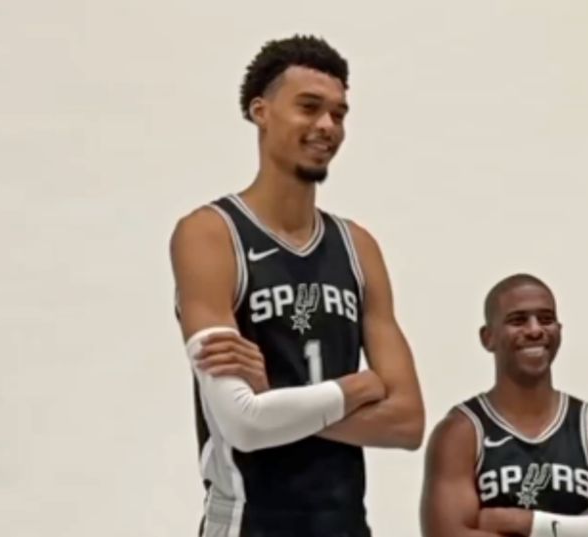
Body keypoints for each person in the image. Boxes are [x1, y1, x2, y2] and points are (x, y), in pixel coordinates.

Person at [169, 35, 425, 537]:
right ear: (260, 111)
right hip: (248, 522)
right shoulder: (210, 234)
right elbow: (242, 424)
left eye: (339, 113)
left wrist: (281, 404)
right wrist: (358, 388)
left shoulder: (358, 246)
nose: (327, 126)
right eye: (310, 107)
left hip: (346, 525)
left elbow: (408, 422)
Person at [419, 274, 588, 537]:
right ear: (488, 338)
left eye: (546, 319)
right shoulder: (461, 431)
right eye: (518, 320)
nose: (534, 330)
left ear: (559, 330)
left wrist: (523, 523)